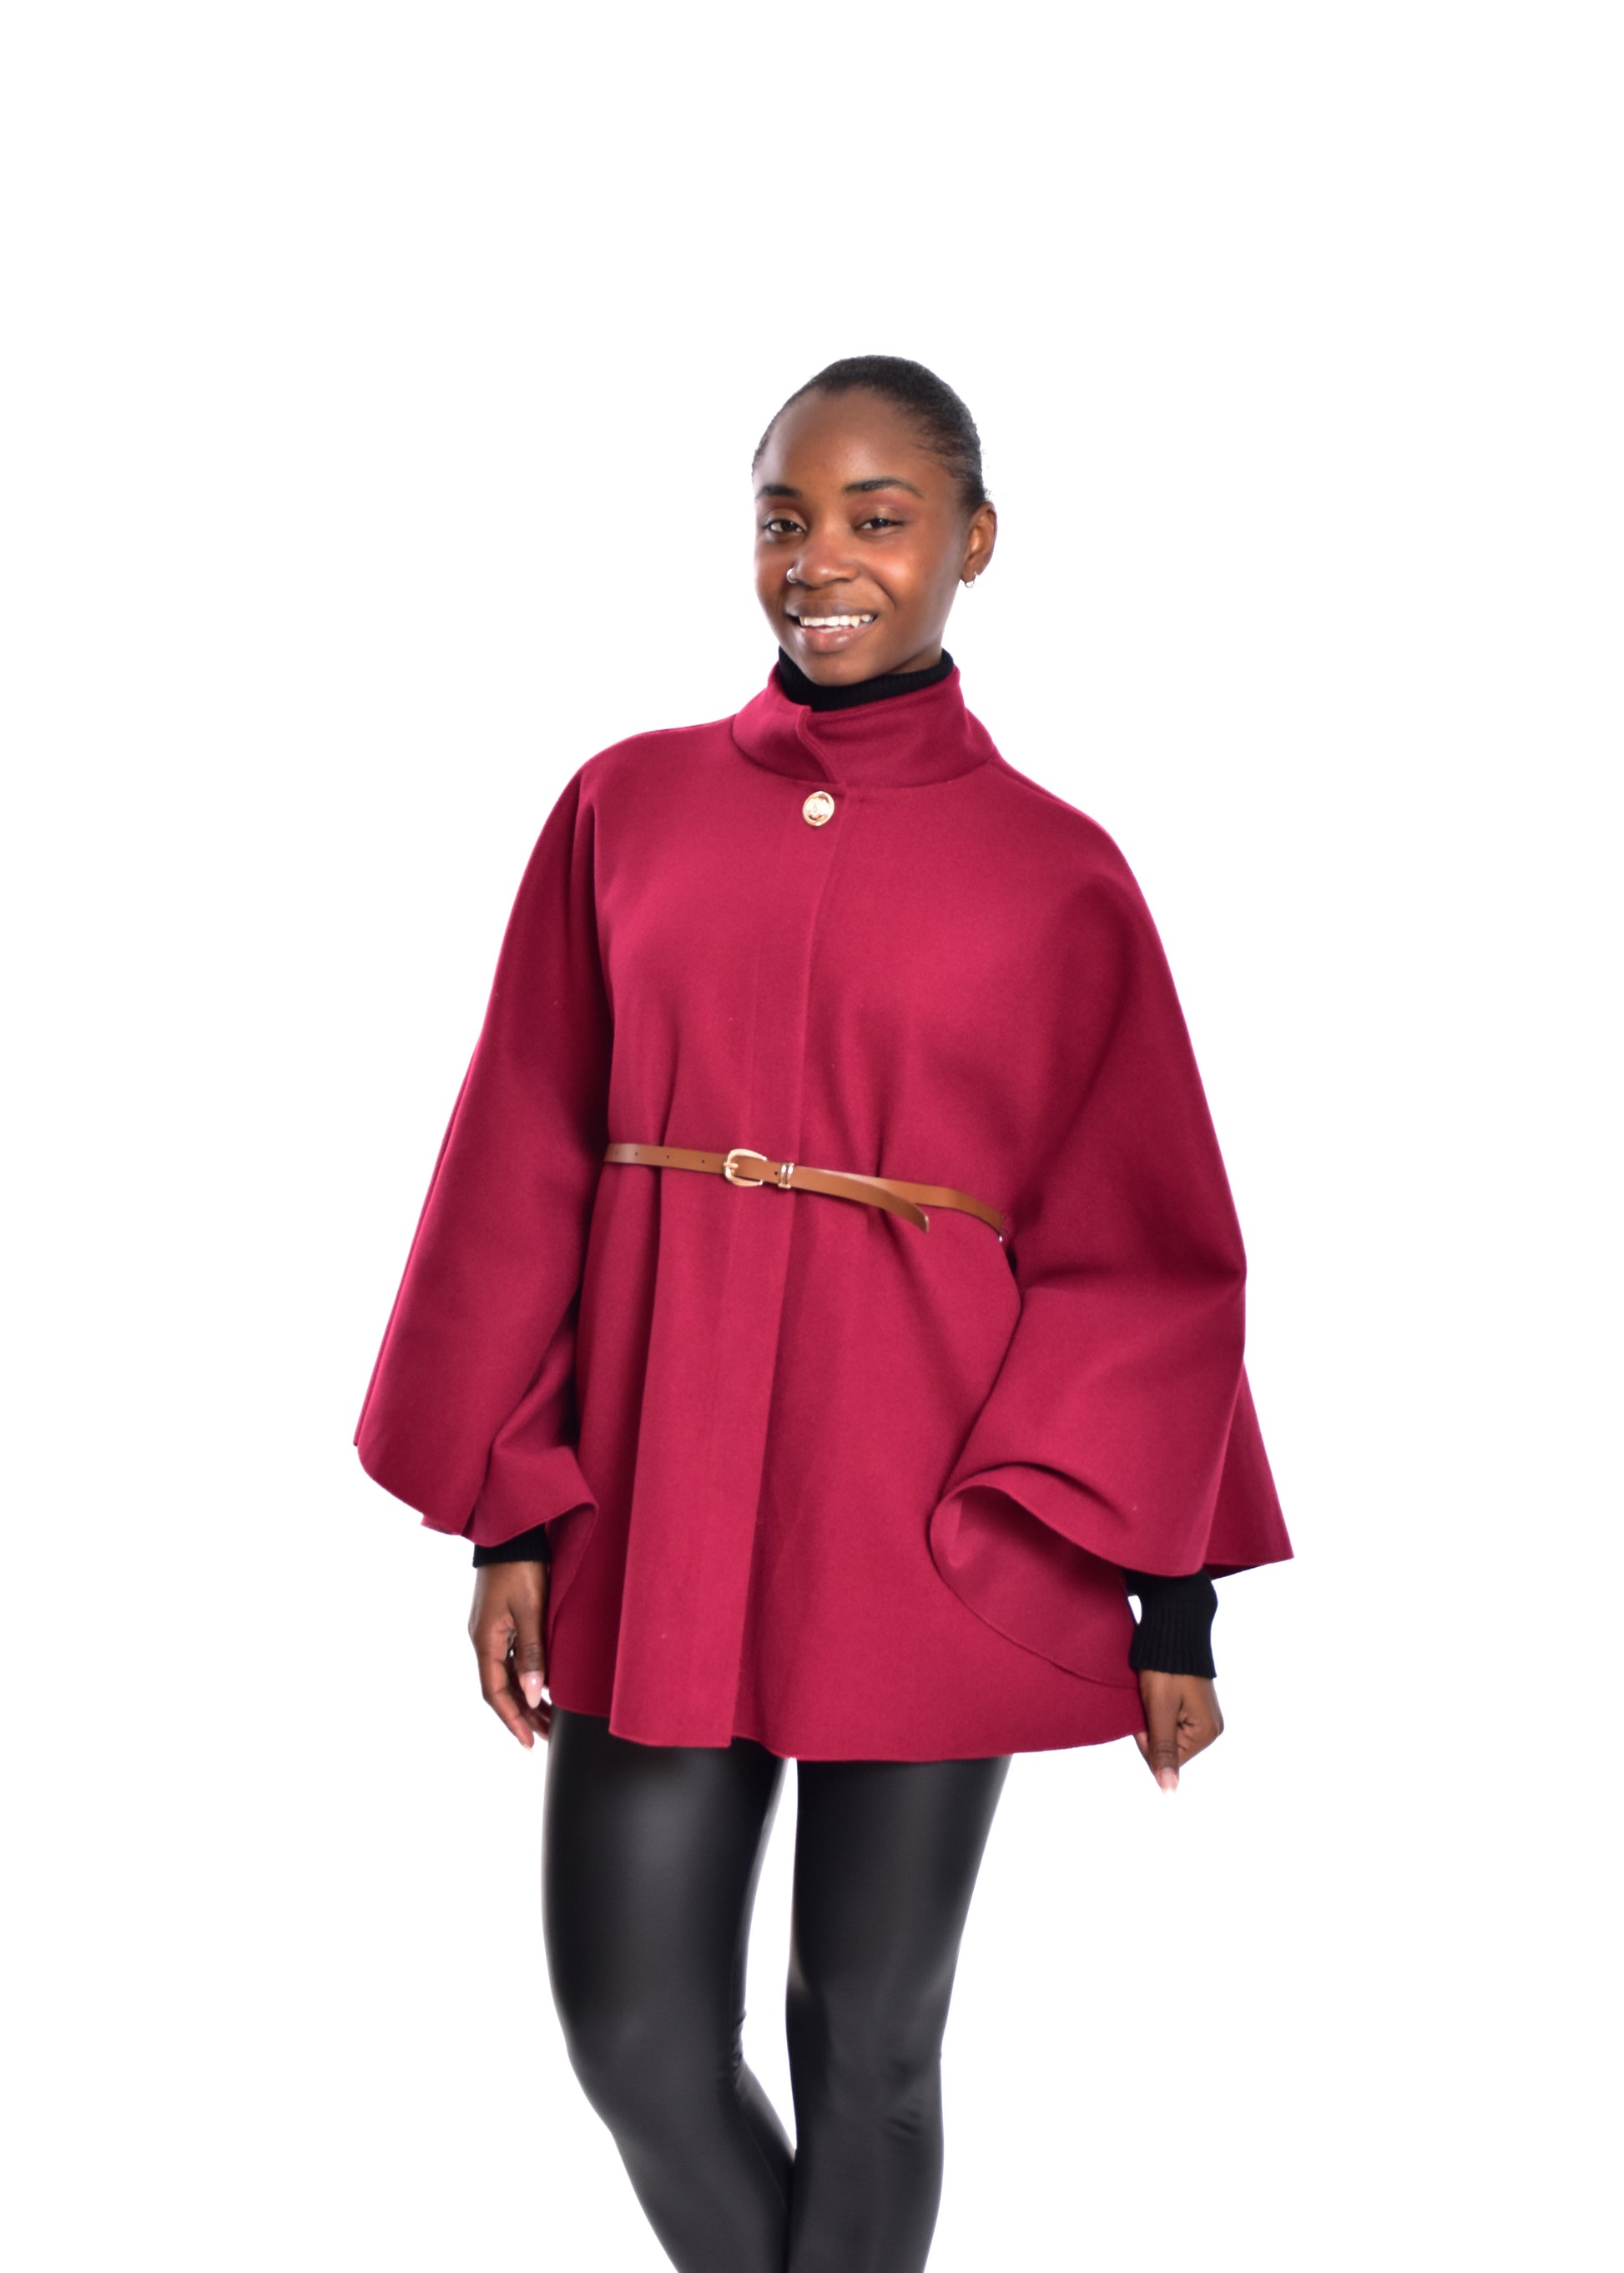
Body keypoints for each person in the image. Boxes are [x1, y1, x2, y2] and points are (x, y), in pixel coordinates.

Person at [354, 355, 1293, 2273]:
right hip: (656, 1499)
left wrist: (1170, 1599)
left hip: (927, 1512)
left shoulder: (1060, 872)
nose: (820, 561)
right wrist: (510, 1511)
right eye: (785, 518)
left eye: (877, 518)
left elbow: (1149, 1246)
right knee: (633, 2037)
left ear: (974, 541)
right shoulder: (622, 805)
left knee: (868, 2045)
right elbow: (519, 1152)